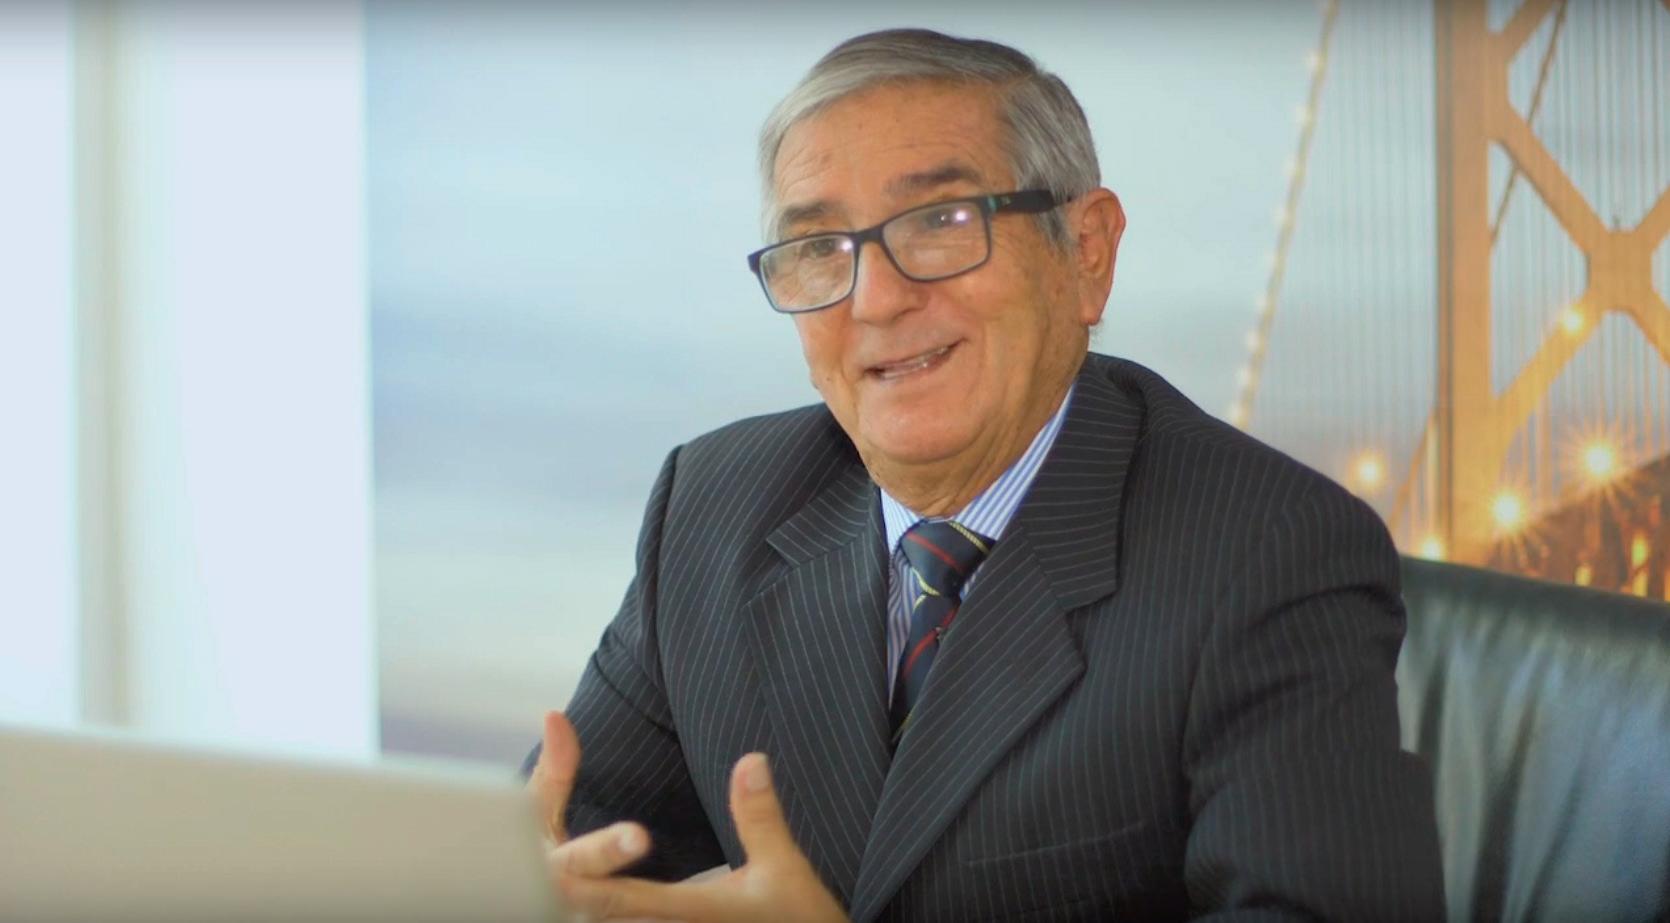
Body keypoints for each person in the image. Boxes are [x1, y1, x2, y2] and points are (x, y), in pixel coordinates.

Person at [522, 28, 1445, 923]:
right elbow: (561, 852)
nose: (876, 299)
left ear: (1086, 252)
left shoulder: (1271, 551)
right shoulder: (713, 506)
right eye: (821, 249)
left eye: (941, 222)